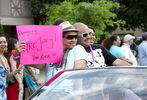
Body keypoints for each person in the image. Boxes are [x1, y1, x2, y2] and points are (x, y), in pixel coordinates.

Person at [14, 21, 87, 81]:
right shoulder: (49, 51)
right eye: (70, 37)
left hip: (68, 93)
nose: (74, 40)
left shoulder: (78, 49)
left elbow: (78, 76)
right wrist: (19, 54)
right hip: (50, 91)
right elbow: (39, 65)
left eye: (75, 37)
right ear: (59, 37)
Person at [0, 34, 23, 100]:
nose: (3, 44)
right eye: (0, 42)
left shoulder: (4, 58)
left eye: (4, 42)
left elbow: (7, 76)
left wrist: (17, 70)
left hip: (3, 92)